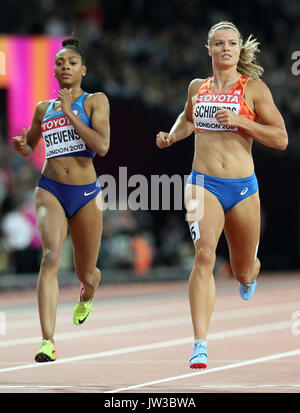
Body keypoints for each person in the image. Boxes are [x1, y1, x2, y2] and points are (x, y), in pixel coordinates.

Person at [156, 21, 288, 369]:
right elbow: (187, 120)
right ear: (209, 49)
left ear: (239, 49)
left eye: (232, 43)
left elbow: (280, 138)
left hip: (243, 189)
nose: (226, 48)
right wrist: (171, 136)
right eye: (219, 43)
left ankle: (251, 269)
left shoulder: (254, 90)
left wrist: (241, 121)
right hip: (202, 184)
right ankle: (200, 344)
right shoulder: (197, 87)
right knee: (203, 256)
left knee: (242, 272)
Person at [12, 36, 110, 362]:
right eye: (59, 63)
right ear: (54, 70)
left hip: (86, 194)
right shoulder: (43, 108)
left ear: (83, 69)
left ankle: (89, 292)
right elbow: (30, 143)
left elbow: (102, 145)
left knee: (87, 273)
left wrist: (72, 113)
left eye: (71, 63)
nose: (65, 67)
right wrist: (22, 145)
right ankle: (47, 341)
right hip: (50, 189)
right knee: (51, 257)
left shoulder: (96, 101)